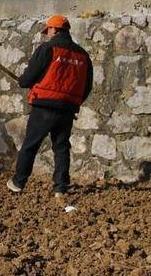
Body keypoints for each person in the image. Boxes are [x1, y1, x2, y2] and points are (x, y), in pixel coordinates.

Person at [7, 14, 93, 198]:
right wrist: (74, 101)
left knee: (31, 144)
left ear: (54, 29)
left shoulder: (47, 48)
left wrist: (23, 81)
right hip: (67, 108)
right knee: (61, 147)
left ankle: (18, 182)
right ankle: (60, 187)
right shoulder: (83, 55)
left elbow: (29, 77)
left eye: (48, 30)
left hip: (44, 106)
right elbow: (87, 86)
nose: (47, 34)